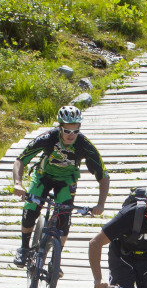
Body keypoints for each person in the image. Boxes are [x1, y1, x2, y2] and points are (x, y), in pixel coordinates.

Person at [12, 105, 109, 267]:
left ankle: (55, 261)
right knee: (30, 210)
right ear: (60, 128)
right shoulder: (48, 138)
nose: (71, 136)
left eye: (75, 131)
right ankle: (24, 249)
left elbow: (103, 175)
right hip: (43, 176)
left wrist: (101, 204)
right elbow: (21, 159)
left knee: (64, 219)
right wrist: (17, 183)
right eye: (67, 131)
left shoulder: (85, 145)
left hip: (66, 181)